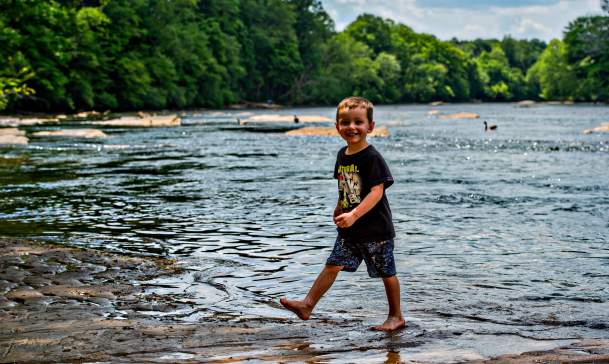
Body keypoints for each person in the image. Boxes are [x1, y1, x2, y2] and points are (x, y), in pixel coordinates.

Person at [280, 96, 405, 331]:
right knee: (333, 264)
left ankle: (396, 316)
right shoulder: (342, 155)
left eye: (358, 122)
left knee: (386, 272)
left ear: (371, 126)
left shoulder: (372, 157)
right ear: (337, 126)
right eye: (345, 122)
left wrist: (355, 214)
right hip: (350, 228)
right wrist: (340, 206)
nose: (352, 127)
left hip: (375, 229)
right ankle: (307, 305)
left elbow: (377, 192)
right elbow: (346, 184)